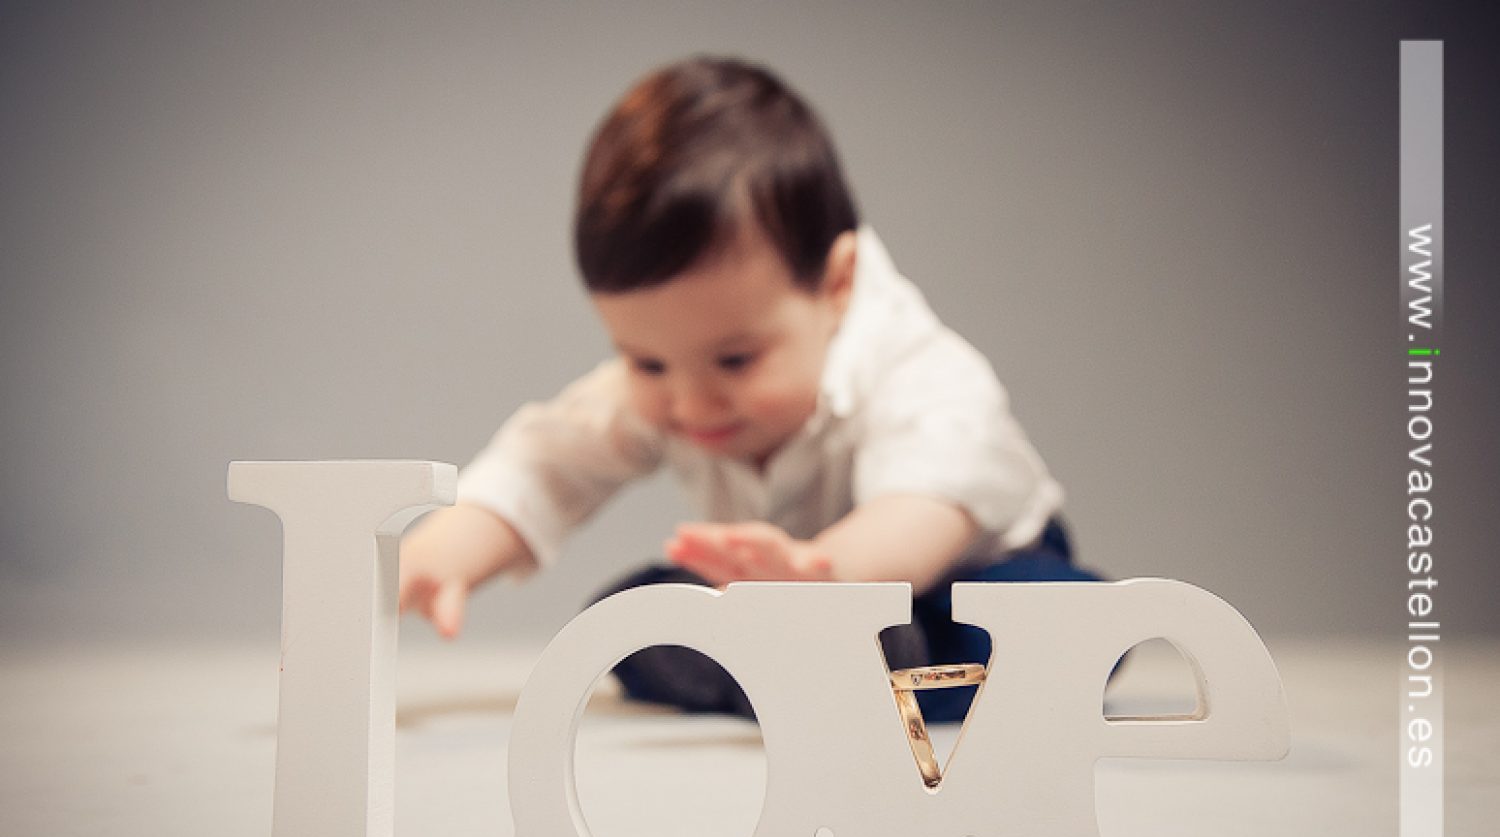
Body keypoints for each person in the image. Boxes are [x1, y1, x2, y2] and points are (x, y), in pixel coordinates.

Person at [399, 55, 1101, 723]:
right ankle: (819, 669)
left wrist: (832, 578)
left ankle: (876, 660)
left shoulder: (916, 367)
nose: (690, 404)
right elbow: (550, 462)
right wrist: (446, 551)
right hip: (785, 602)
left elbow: (928, 511)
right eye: (646, 364)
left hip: (956, 580)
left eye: (734, 361)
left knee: (1037, 617)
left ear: (835, 285)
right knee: (632, 615)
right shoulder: (680, 374)